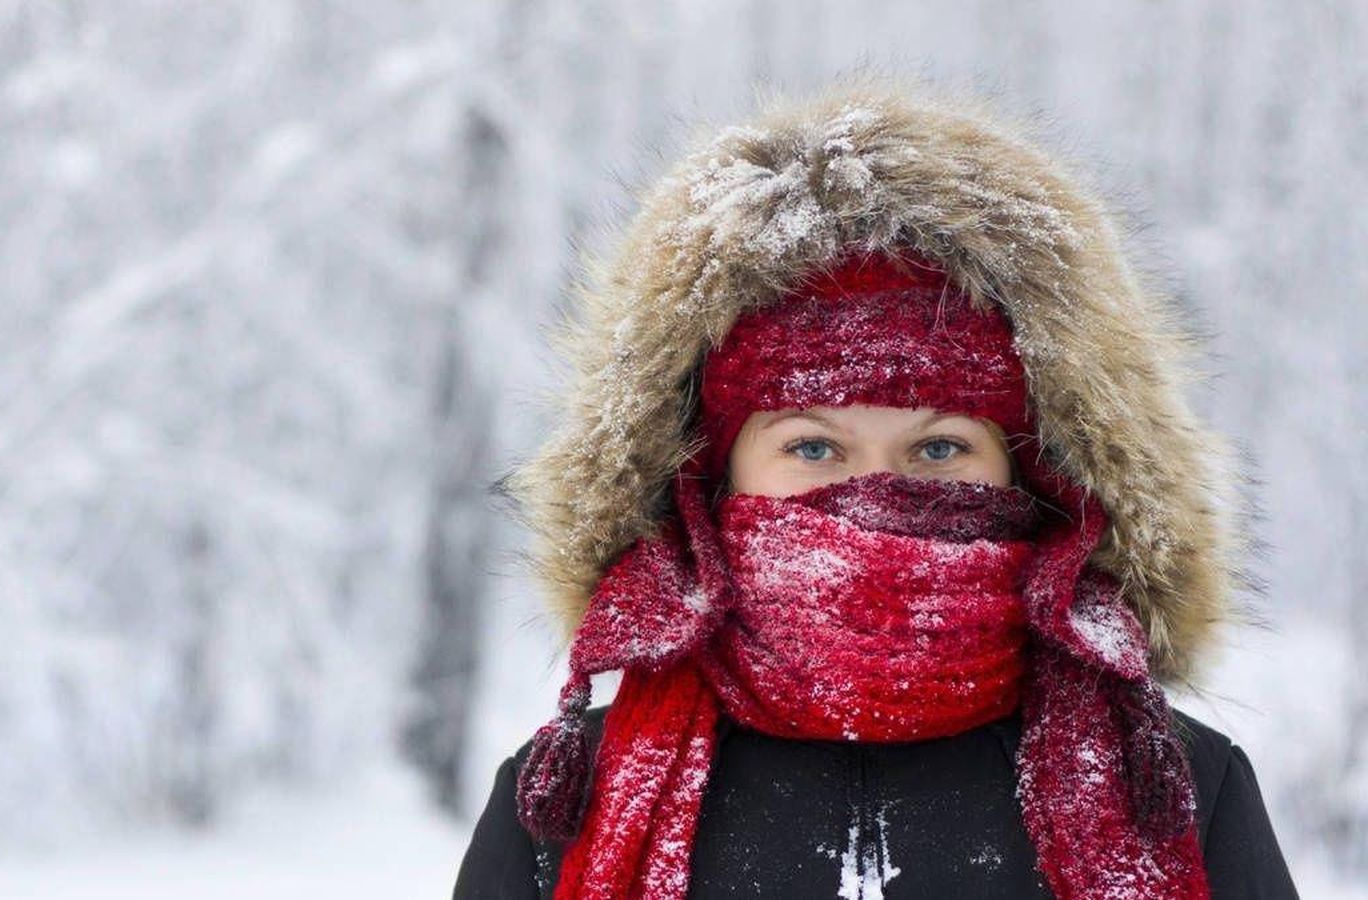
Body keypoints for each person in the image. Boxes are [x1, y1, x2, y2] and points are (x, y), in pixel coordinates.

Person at [453, 73, 1299, 899]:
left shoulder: (1179, 792)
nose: (875, 492)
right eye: (814, 446)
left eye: (939, 448)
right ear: (710, 479)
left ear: (1032, 473)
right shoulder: (564, 804)